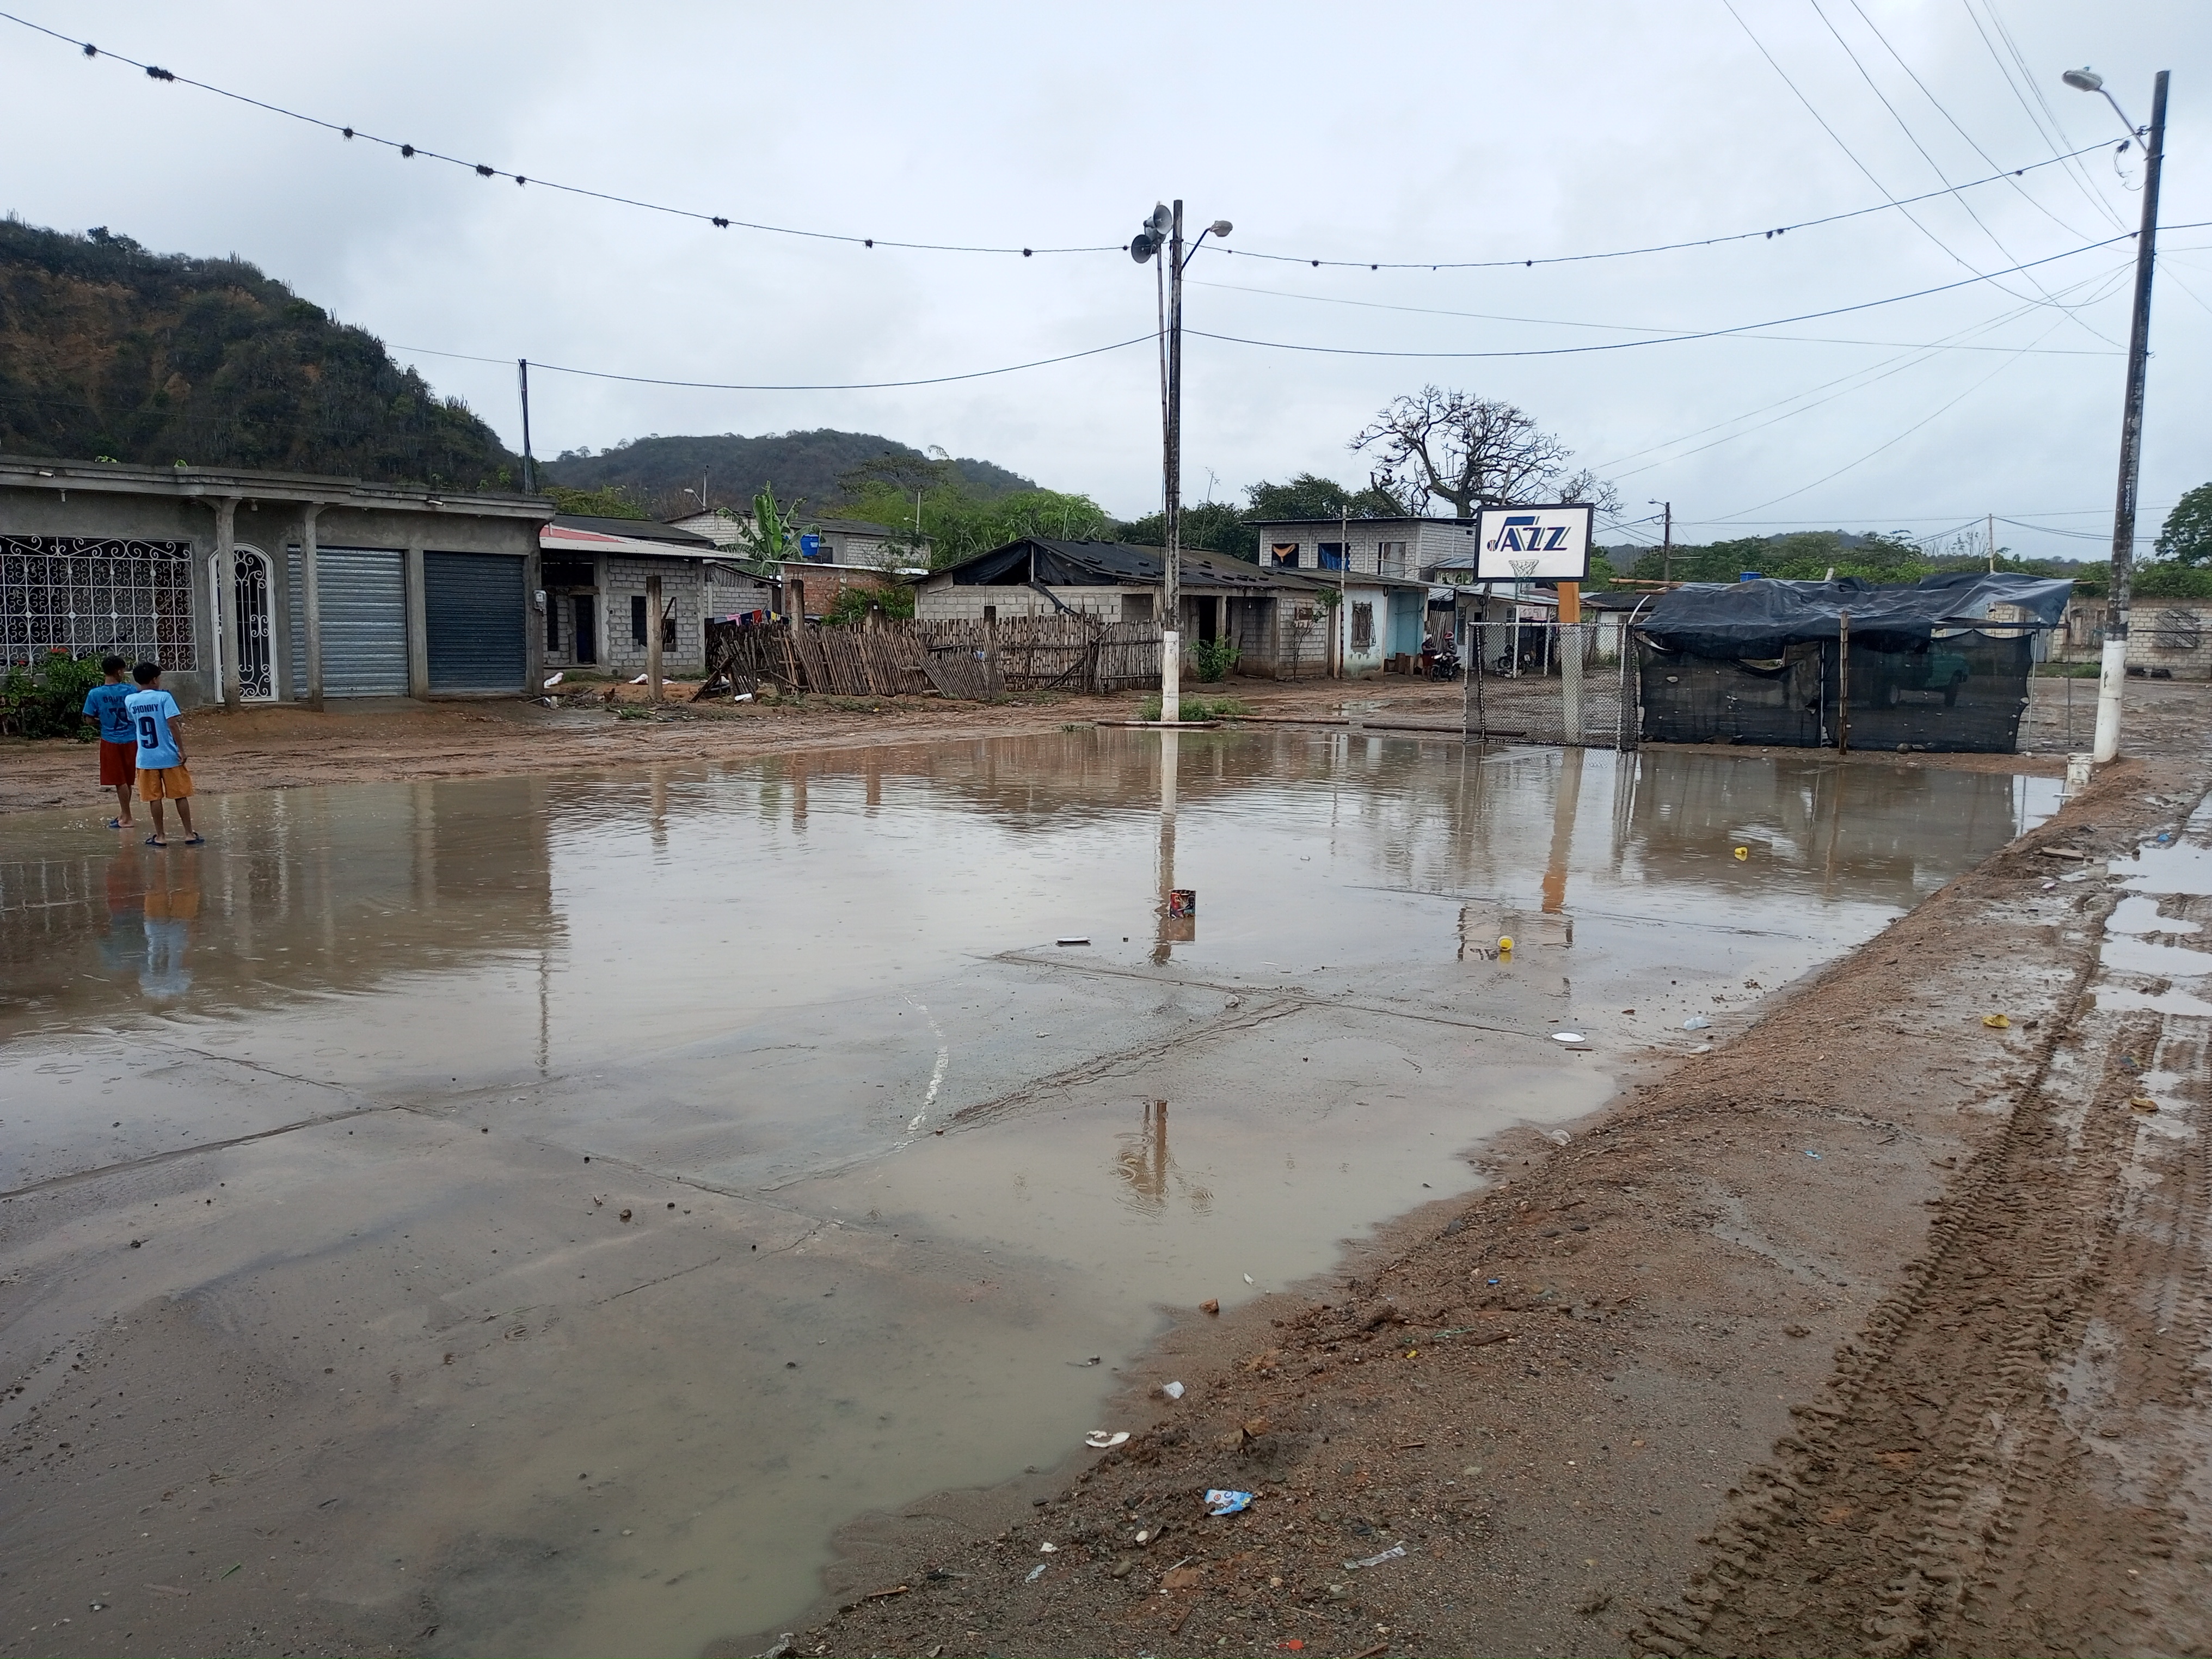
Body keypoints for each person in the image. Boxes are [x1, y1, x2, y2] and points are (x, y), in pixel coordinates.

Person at [123, 662, 202, 847]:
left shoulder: (130, 700)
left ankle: (160, 836)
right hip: (169, 756)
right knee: (180, 795)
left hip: (146, 758)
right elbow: (172, 724)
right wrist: (181, 750)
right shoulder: (164, 697)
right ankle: (189, 834)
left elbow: (133, 721)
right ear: (154, 680)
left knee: (154, 798)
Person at [79, 654, 137, 829]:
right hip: (132, 739)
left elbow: (89, 719)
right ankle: (124, 814)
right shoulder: (131, 691)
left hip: (110, 740)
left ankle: (127, 817)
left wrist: (103, 721)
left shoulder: (95, 694)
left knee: (119, 781)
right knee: (128, 779)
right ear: (119, 672)